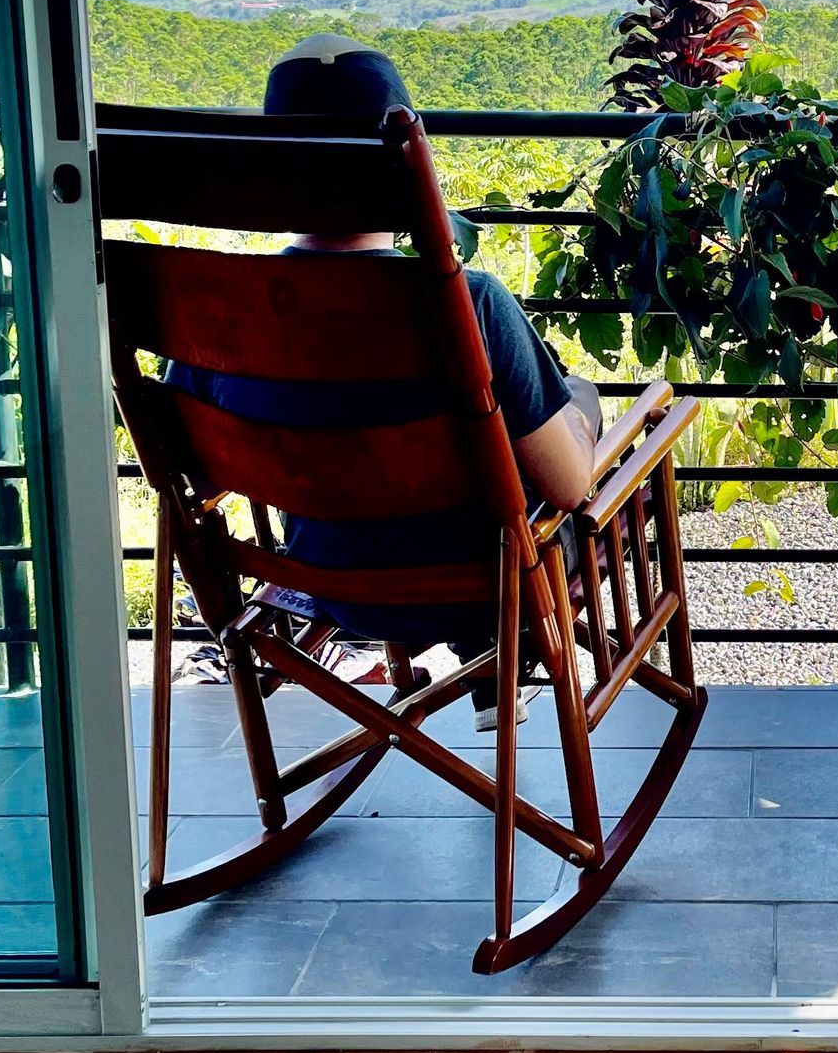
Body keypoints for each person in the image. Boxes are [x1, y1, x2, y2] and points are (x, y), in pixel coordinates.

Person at [169, 34, 600, 710]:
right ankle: (494, 651)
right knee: (582, 443)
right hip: (481, 582)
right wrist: (580, 405)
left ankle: (485, 658)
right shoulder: (471, 301)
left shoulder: (210, 312)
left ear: (267, 172)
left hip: (324, 583)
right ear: (407, 166)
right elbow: (569, 487)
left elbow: (190, 468)